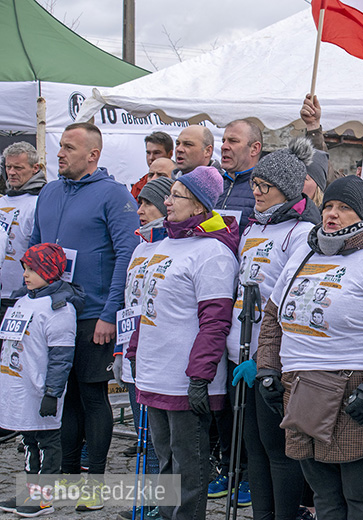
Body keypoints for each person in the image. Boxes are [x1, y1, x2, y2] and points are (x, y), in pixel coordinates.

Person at [256, 175, 363, 520]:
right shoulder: (305, 251)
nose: (332, 214)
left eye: (344, 208)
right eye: (328, 205)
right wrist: (268, 368)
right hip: (300, 389)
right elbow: (272, 317)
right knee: (324, 493)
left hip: (353, 390)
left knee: (360, 493)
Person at [29, 122, 139, 509]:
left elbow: (128, 256)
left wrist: (111, 312)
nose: (60, 153)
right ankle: (69, 477)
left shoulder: (114, 196)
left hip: (94, 314)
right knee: (66, 395)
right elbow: (34, 249)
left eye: (69, 147)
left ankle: (95, 482)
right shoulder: (49, 192)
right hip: (54, 311)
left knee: (92, 395)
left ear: (93, 154)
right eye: (60, 146)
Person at [126, 165, 239, 520]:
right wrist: (133, 351)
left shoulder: (212, 253)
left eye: (176, 195)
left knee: (187, 461)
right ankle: (165, 513)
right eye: (169, 194)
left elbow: (215, 320)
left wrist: (200, 376)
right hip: (153, 369)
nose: (167, 201)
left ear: (199, 206)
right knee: (164, 456)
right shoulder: (162, 245)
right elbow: (147, 307)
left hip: (185, 377)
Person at [226, 137, 321, 519]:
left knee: (278, 447)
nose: (257, 193)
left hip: (273, 359)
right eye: (255, 186)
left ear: (286, 189)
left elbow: (288, 299)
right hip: (240, 351)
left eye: (265, 187)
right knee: (254, 446)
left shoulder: (300, 231)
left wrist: (269, 358)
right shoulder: (253, 228)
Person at [0, 243, 83, 517]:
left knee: (47, 444)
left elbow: (61, 357)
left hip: (40, 391)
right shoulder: (22, 300)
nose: (26, 274)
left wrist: (52, 392)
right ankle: (28, 493)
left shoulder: (59, 309)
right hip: (18, 389)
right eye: (25, 268)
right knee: (28, 443)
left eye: (33, 269)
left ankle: (43, 498)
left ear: (50, 271)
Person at [113, 177, 173, 520]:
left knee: (159, 440)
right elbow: (129, 302)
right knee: (143, 435)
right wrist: (121, 351)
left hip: (159, 356)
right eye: (139, 203)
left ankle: (157, 503)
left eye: (147, 204)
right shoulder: (139, 247)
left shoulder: (173, 247)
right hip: (133, 353)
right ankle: (145, 501)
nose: (140, 211)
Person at [0, 142, 47, 319]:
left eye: (18, 168)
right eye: (8, 167)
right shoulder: (2, 201)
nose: (11, 172)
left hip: (21, 294)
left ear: (35, 168)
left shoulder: (39, 202)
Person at [215, 119, 263, 231]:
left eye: (233, 141)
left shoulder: (264, 189)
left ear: (254, 148)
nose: (224, 147)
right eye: (223, 141)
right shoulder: (212, 185)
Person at [131, 131, 174, 199]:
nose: (151, 158)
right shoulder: (137, 186)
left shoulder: (180, 185)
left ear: (170, 154)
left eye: (156, 153)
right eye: (148, 153)